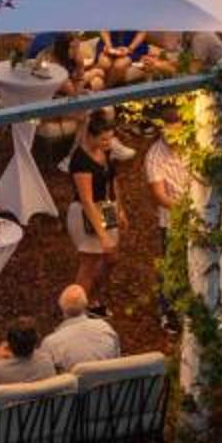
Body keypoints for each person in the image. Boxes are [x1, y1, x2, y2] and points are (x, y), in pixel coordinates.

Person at [66, 111, 128, 301]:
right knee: (89, 264)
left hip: (106, 207)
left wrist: (120, 209)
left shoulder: (105, 151)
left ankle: (93, 294)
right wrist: (102, 235)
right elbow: (87, 201)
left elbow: (112, 181)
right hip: (87, 213)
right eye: (104, 139)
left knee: (112, 257)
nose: (108, 143)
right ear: (90, 136)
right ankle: (77, 307)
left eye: (110, 138)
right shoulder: (80, 161)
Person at [35, 285, 122, 372]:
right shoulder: (105, 328)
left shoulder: (50, 344)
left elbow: (44, 374)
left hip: (77, 381)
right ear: (85, 304)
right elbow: (117, 360)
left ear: (61, 308)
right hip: (110, 380)